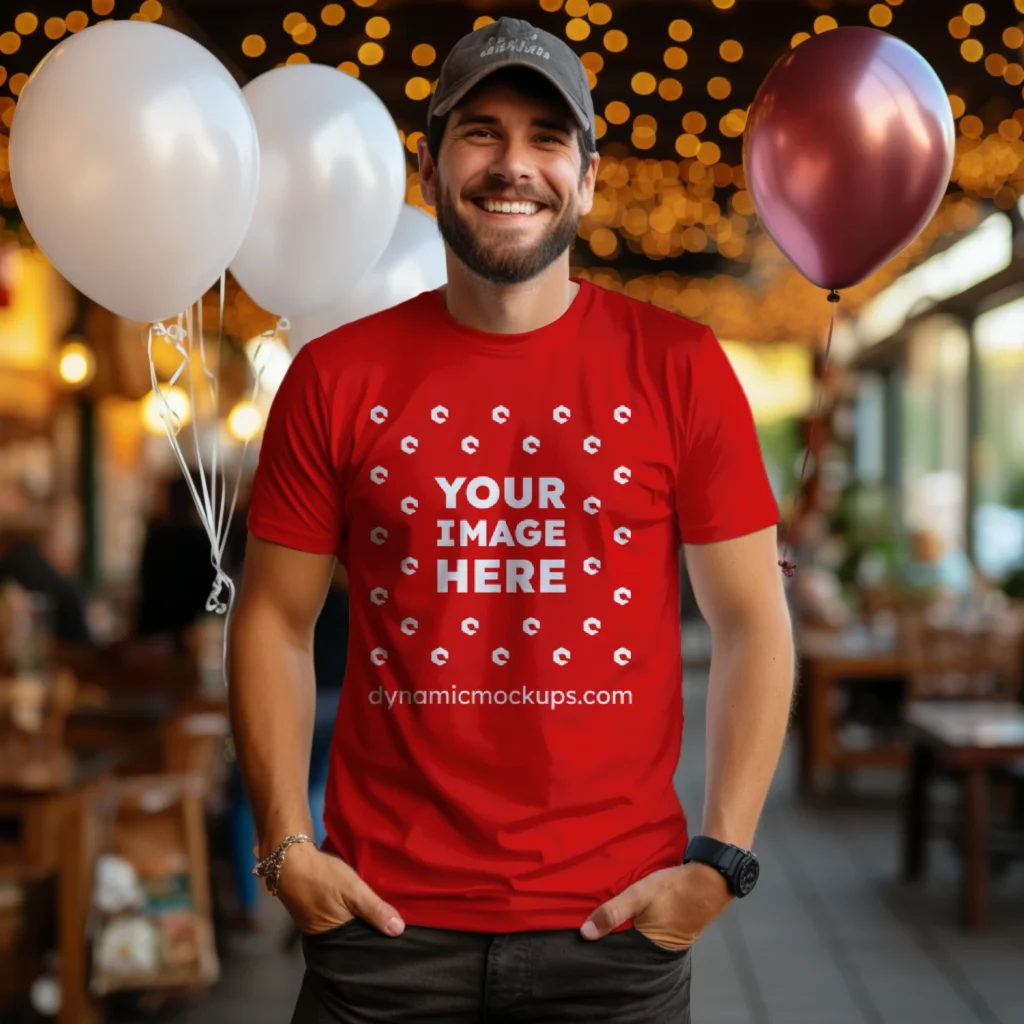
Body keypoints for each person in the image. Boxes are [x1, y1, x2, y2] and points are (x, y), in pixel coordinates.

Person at [230, 16, 794, 1023]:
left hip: (614, 929)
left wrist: (717, 862)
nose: (512, 165)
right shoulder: (335, 376)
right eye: (480, 132)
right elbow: (272, 619)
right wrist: (286, 849)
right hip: (382, 930)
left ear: (584, 175)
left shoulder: (680, 366)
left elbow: (753, 621)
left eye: (546, 139)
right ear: (433, 162)